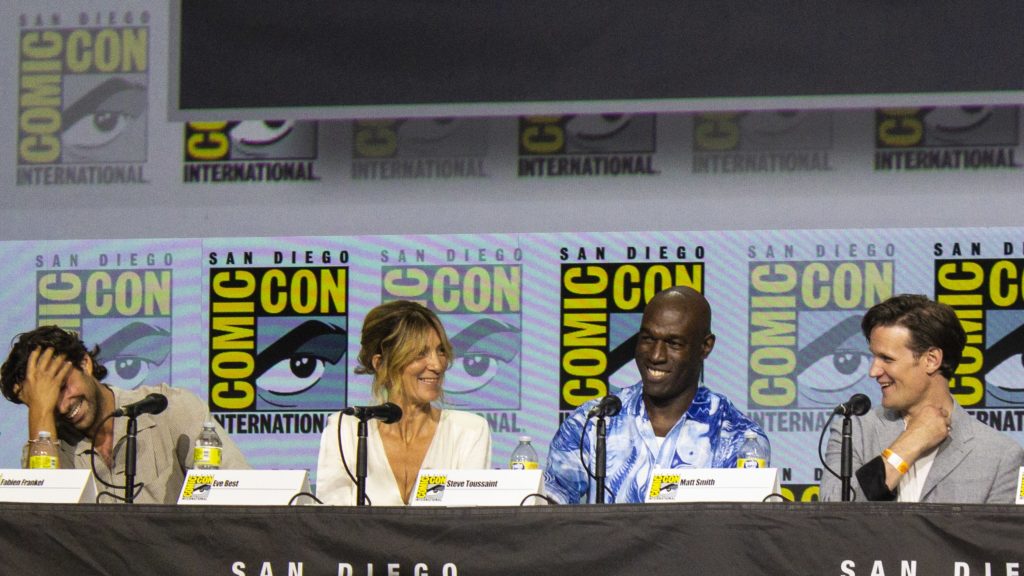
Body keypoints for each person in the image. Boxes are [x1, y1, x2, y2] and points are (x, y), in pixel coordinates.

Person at [544, 286, 768, 504]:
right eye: (648, 339)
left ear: (705, 347)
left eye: (673, 343)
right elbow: (544, 511)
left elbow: (742, 530)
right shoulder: (592, 422)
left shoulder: (739, 437)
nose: (656, 355)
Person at [0, 325, 249, 504]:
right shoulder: (47, 450)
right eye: (48, 400)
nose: (63, 406)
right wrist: (40, 412)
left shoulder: (169, 408)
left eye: (63, 386)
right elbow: (39, 532)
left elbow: (237, 494)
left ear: (85, 363)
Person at [820, 294, 1024, 503]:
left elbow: (1001, 534)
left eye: (887, 358)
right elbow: (832, 515)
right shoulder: (855, 432)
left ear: (931, 360)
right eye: (874, 356)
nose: (873, 371)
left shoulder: (1001, 457)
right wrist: (910, 442)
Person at [316, 300, 492, 505]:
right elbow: (331, 521)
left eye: (441, 350)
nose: (437, 365)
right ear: (381, 364)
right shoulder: (346, 428)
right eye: (420, 353)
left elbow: (470, 523)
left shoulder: (468, 432)